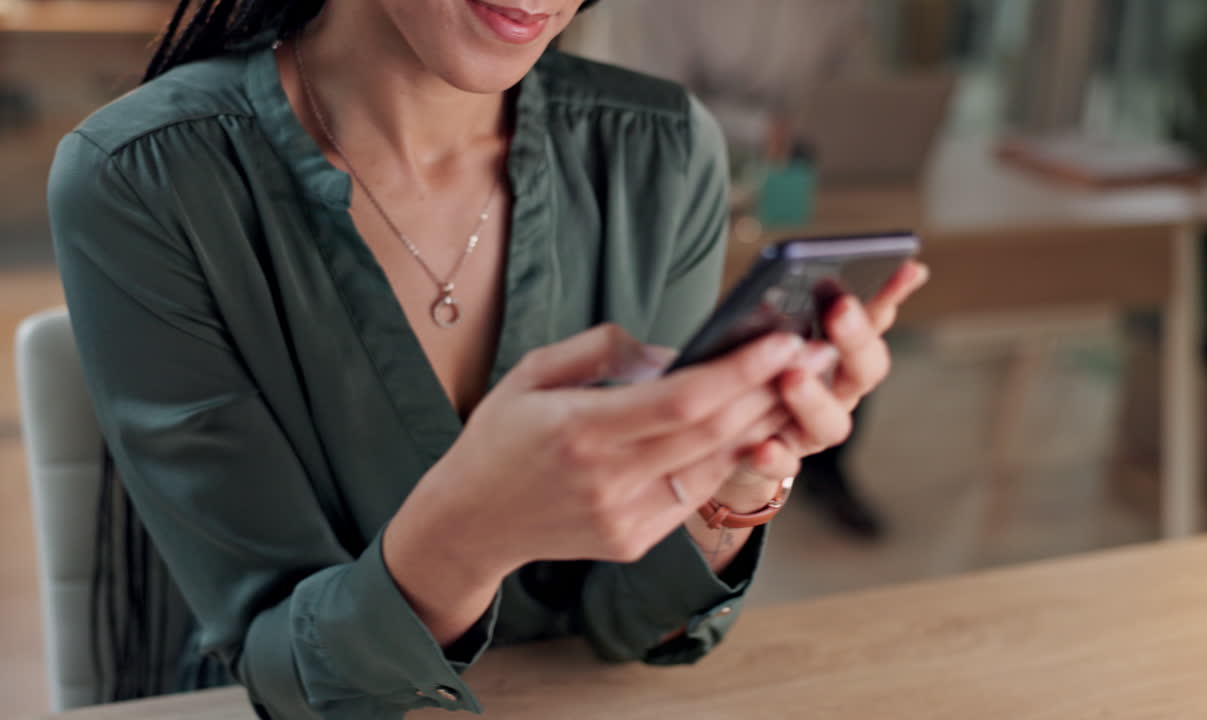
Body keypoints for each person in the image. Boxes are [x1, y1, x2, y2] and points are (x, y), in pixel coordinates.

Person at [47, 0, 927, 718]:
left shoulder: (658, 153)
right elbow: (285, 676)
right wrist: (472, 533)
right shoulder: (145, 177)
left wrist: (734, 481)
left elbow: (638, 630)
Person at [569, 0, 892, 538]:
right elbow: (643, 100)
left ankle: (821, 468)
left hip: (799, 177)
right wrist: (767, 125)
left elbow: (854, 85)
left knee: (841, 297)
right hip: (676, 176)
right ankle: (680, 476)